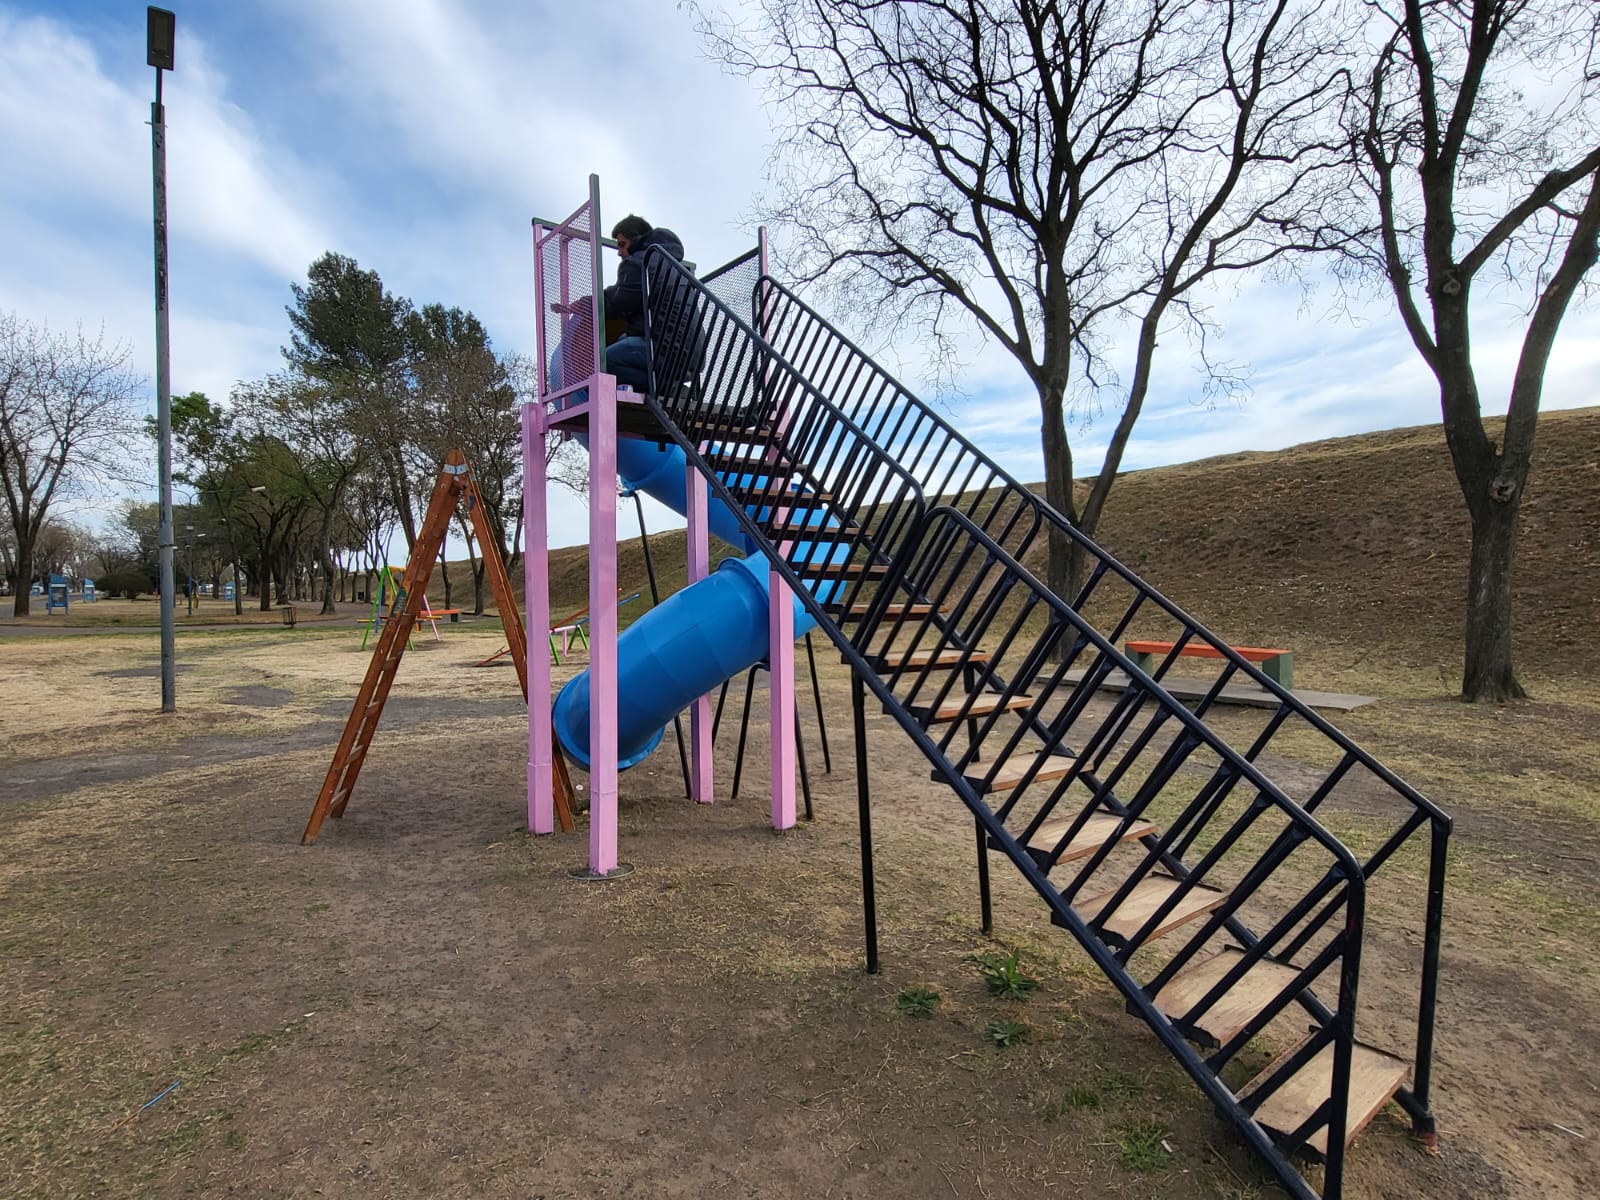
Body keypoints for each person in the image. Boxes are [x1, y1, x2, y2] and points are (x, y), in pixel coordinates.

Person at [601, 215, 687, 392]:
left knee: (605, 361)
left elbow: (620, 303)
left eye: (621, 244)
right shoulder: (673, 265)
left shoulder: (638, 263)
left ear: (637, 240)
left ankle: (666, 388)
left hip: (663, 349)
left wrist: (591, 303)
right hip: (690, 355)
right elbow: (629, 291)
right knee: (623, 341)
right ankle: (669, 386)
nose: (619, 252)